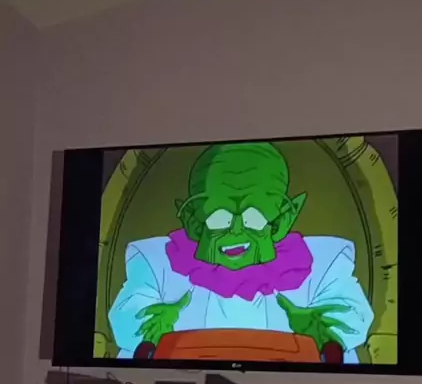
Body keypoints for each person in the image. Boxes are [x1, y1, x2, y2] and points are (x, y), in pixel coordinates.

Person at [109, 142, 374, 361]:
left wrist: (322, 331)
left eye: (254, 217)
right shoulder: (156, 263)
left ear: (283, 219)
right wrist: (154, 326)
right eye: (219, 217)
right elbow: (128, 324)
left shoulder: (324, 262)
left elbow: (352, 319)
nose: (236, 231)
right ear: (192, 220)